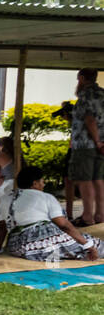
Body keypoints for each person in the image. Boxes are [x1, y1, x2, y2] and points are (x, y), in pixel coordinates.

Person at [3, 164, 101, 261]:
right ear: (35, 184)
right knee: (93, 243)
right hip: (40, 244)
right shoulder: (46, 197)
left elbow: (2, 227)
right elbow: (63, 225)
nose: (44, 184)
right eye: (42, 181)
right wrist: (87, 245)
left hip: (16, 247)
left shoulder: (7, 198)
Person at [69, 69, 104, 226]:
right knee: (98, 179)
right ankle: (100, 214)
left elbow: (89, 120)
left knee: (85, 180)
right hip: (102, 144)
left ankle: (87, 216)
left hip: (85, 144)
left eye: (78, 79)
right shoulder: (102, 93)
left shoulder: (85, 95)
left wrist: (96, 141)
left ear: (82, 78)